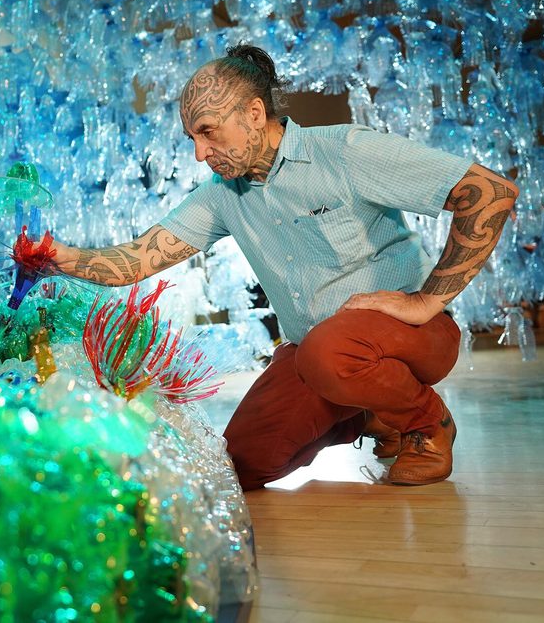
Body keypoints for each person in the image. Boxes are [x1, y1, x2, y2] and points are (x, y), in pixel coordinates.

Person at [46, 43, 519, 489]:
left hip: (411, 338)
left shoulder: (345, 151)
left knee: (327, 351)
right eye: (192, 137)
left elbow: (489, 193)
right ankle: (372, 414)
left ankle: (425, 423)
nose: (199, 153)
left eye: (208, 131)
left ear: (254, 113)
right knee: (244, 465)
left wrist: (426, 300)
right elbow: (138, 258)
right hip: (319, 356)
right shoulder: (220, 196)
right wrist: (63, 259)